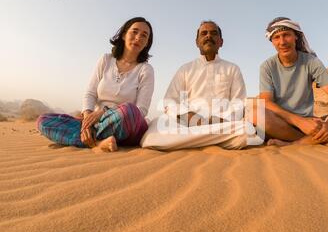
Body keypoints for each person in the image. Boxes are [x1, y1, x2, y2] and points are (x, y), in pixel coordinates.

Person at [37, 17, 154, 152]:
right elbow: (90, 93)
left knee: (130, 111)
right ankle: (98, 142)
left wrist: (102, 112)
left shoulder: (146, 70)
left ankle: (88, 139)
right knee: (43, 120)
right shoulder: (106, 60)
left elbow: (141, 110)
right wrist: (87, 120)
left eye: (144, 35)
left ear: (147, 44)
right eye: (134, 32)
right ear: (123, 35)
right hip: (97, 123)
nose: (138, 37)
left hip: (126, 124)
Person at [254, 17, 328, 147]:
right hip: (283, 123)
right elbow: (266, 102)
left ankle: (296, 144)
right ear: (272, 41)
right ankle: (317, 139)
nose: (282, 42)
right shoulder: (267, 66)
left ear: (296, 36)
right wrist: (299, 122)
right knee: (255, 114)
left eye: (286, 35)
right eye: (276, 37)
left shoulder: (311, 62)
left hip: (311, 124)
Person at [141, 20, 252, 150]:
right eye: (204, 33)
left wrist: (220, 120)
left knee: (246, 130)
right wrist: (189, 116)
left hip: (222, 124)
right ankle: (212, 140)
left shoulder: (232, 69)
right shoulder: (185, 69)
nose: (208, 36)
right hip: (189, 124)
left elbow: (238, 103)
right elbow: (169, 102)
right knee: (155, 128)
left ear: (221, 42)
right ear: (197, 42)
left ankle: (189, 142)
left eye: (213, 33)